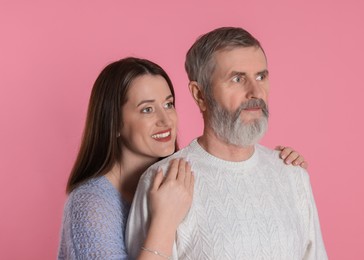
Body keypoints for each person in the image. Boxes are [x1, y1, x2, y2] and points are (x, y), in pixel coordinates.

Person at [58, 57, 307, 259]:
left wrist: (279, 170)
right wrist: (164, 222)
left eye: (168, 104)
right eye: (147, 109)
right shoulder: (91, 204)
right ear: (113, 123)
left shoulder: (176, 178)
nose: (166, 120)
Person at [126, 28, 327, 259]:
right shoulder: (161, 181)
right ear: (200, 95)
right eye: (237, 79)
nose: (255, 92)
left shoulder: (293, 175)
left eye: (261, 76)